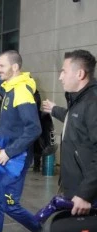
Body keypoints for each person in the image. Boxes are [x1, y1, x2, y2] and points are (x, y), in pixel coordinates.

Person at [0, 45, 42, 232]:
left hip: (14, 156)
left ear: (14, 68)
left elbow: (34, 128)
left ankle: (42, 229)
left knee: (8, 203)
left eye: (1, 66)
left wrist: (9, 152)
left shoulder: (22, 91)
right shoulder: (11, 88)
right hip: (3, 154)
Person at [42, 49, 97, 216]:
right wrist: (55, 110)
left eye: (64, 71)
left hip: (87, 194)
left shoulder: (93, 102)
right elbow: (76, 120)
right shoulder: (79, 100)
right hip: (74, 187)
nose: (60, 77)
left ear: (79, 74)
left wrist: (85, 193)